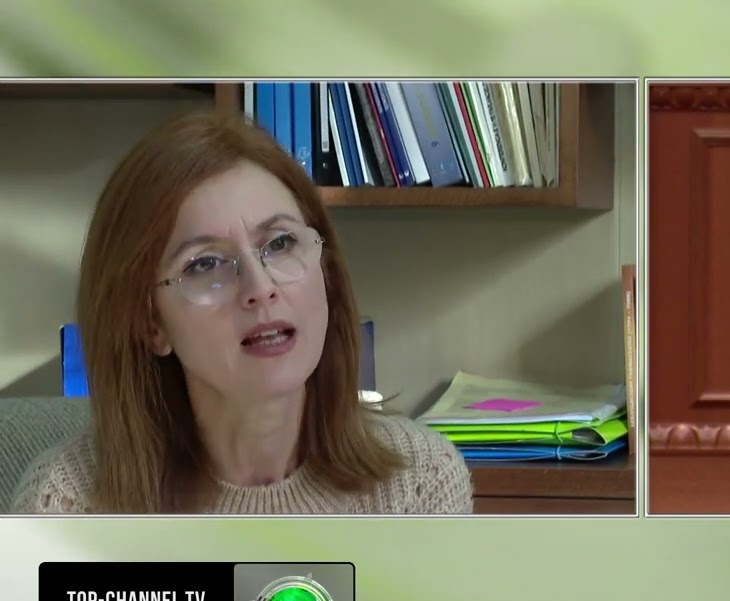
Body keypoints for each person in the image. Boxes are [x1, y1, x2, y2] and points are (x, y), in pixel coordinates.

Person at [10, 110, 473, 514]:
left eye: (281, 243)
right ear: (150, 323)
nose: (260, 288)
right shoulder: (69, 506)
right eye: (205, 264)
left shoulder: (420, 483)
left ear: (325, 270)